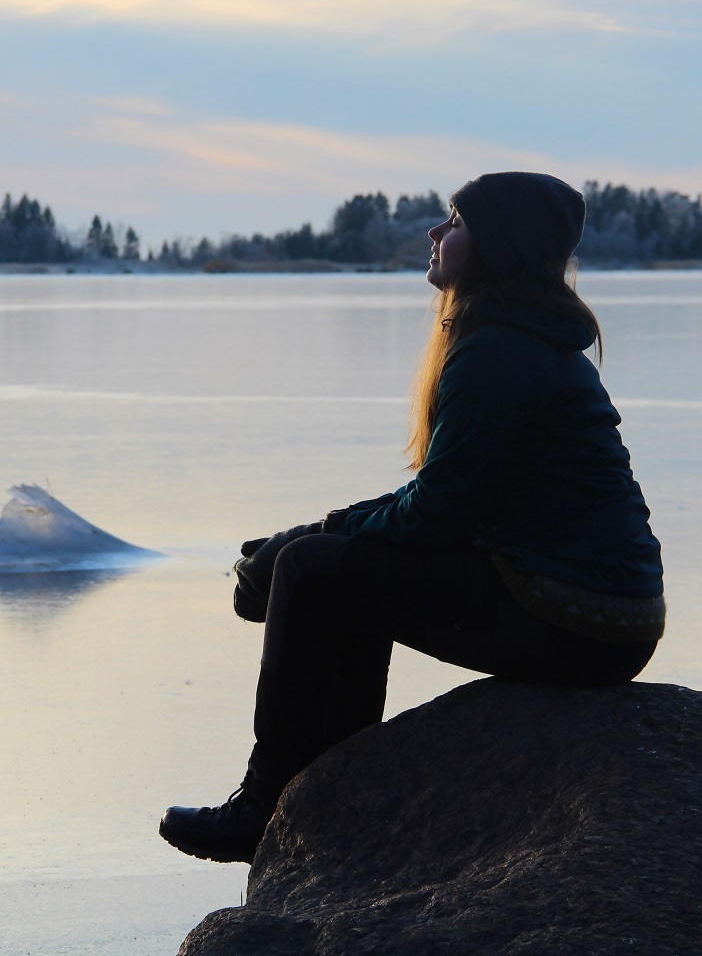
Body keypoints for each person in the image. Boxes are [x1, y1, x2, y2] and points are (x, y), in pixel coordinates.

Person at [159, 171, 665, 864]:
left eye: (454, 221)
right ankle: (334, 788)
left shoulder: (499, 352)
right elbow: (444, 507)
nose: (435, 233)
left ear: (497, 245)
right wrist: (321, 532)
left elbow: (437, 515)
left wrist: (299, 544)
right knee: (342, 568)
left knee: (316, 572)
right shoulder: (517, 338)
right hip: (598, 611)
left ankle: (264, 803)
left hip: (580, 618)